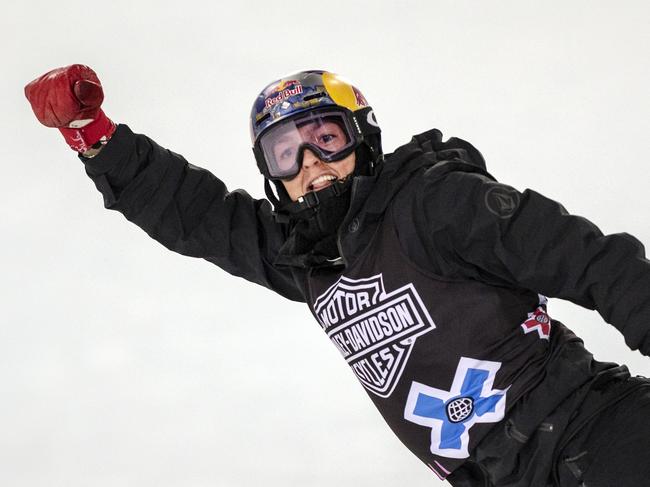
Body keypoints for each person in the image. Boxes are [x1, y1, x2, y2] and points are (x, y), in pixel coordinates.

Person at [24, 64, 650, 487]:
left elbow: (598, 263)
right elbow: (199, 216)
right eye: (285, 153)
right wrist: (96, 137)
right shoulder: (306, 259)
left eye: (326, 137)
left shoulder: (436, 204)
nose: (310, 164)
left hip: (601, 436)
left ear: (364, 140)